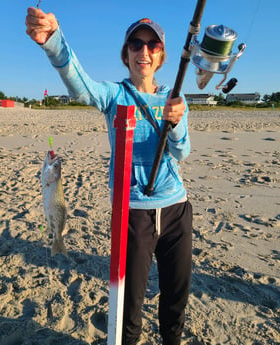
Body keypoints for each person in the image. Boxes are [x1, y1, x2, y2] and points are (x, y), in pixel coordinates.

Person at [26, 9, 192, 345]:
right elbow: (80, 85)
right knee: (128, 306)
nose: (143, 51)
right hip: (131, 214)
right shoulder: (114, 96)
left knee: (176, 299)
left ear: (160, 54)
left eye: (152, 44)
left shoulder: (174, 99)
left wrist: (176, 122)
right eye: (135, 44)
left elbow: (181, 152)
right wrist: (54, 42)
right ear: (126, 53)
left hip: (176, 210)